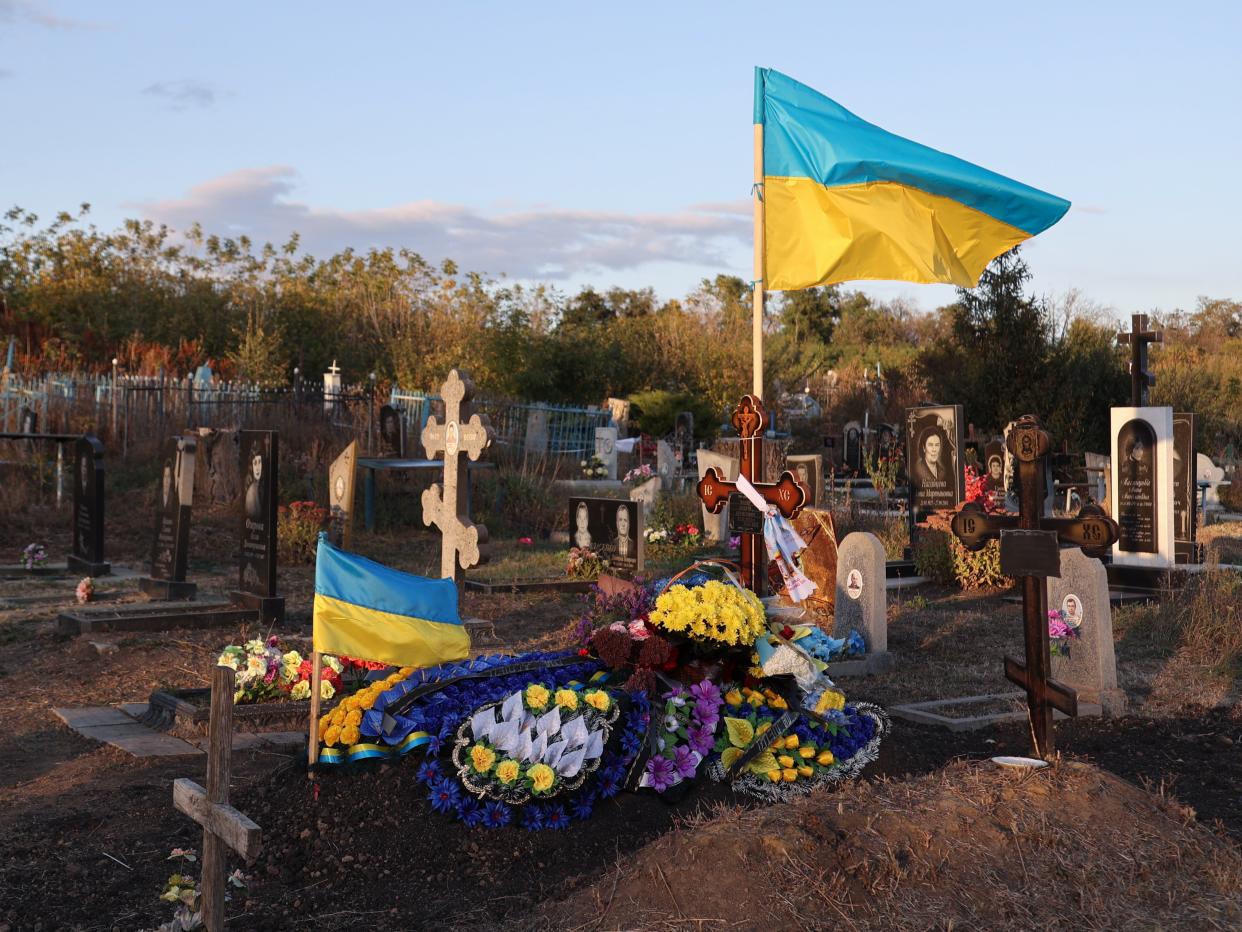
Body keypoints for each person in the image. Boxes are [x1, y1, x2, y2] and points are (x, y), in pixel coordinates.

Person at [245, 448, 265, 520]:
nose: (257, 468)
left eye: (259, 462)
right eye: (255, 463)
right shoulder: (252, 490)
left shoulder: (263, 485)